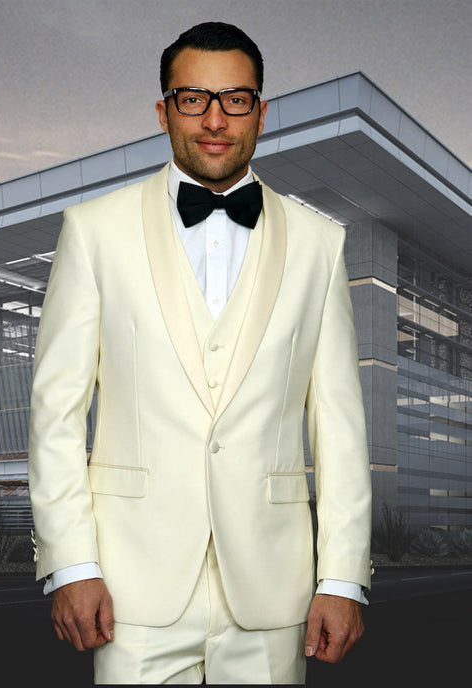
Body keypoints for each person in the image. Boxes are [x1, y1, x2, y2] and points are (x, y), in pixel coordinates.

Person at [28, 21, 372, 685]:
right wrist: (72, 564)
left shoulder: (318, 244)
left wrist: (341, 578)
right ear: (163, 111)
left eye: (235, 99)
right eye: (193, 98)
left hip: (275, 592)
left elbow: (338, 425)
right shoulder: (93, 232)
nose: (215, 119)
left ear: (261, 112)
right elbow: (56, 413)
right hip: (129, 589)